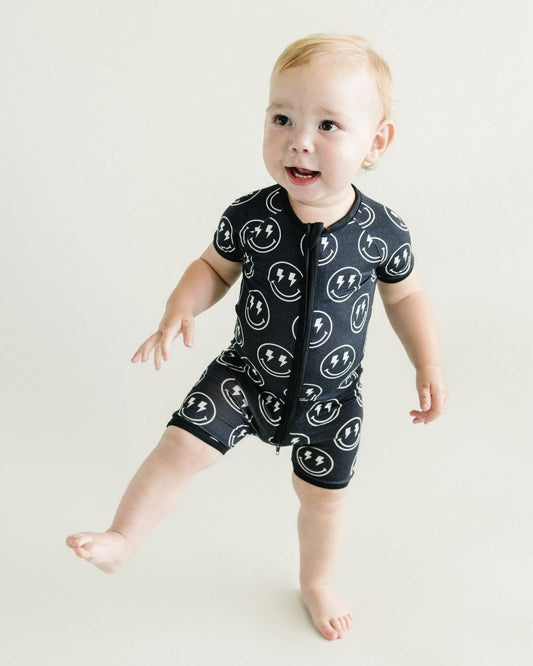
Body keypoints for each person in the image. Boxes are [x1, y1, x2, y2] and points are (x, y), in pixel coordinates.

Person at [66, 33, 447, 641]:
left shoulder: (381, 230)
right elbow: (213, 268)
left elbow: (405, 296)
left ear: (376, 143)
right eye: (282, 118)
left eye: (328, 124)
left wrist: (427, 363)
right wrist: (179, 307)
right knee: (179, 448)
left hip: (331, 402)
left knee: (322, 501)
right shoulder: (251, 215)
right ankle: (122, 538)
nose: (300, 139)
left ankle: (317, 581)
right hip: (245, 376)